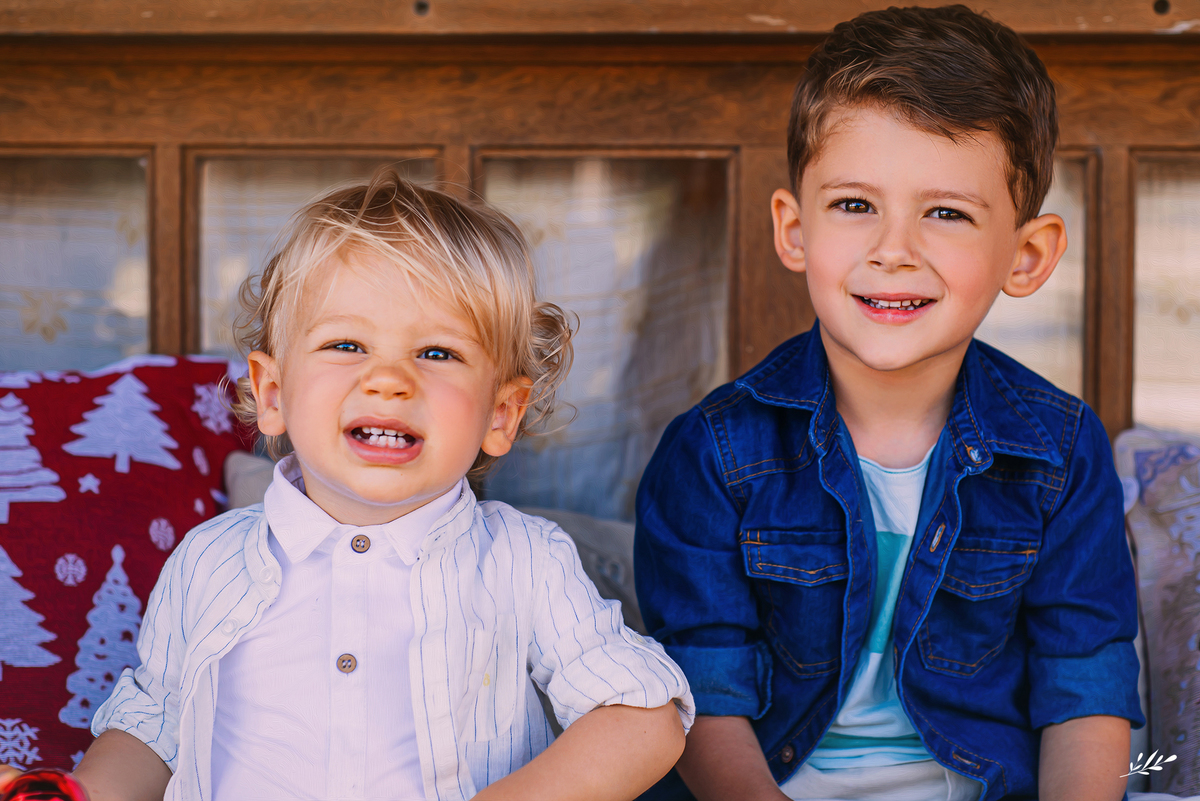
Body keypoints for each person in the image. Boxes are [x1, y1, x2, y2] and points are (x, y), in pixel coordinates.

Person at [634, 6, 1142, 801]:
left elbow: (1084, 686)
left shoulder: (1061, 450)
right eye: (854, 205)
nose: (894, 250)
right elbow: (702, 694)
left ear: (1027, 254)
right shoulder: (713, 451)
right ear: (794, 230)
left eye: (946, 213)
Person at [64, 169, 693, 801]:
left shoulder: (524, 561)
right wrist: (75, 796)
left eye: (437, 353)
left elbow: (642, 719)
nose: (389, 380)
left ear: (501, 415)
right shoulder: (208, 560)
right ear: (273, 394)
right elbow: (151, 733)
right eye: (346, 344)